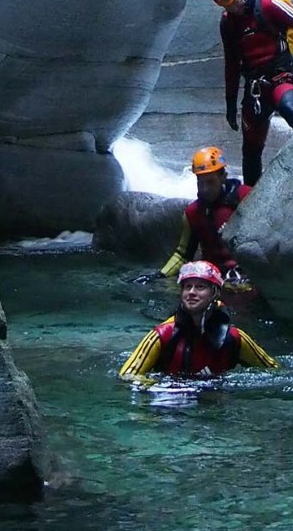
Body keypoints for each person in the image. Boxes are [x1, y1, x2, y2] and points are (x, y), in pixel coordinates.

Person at [199, 0, 293, 185]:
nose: (235, 7)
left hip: (283, 78)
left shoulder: (267, 4)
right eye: (228, 4)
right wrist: (230, 104)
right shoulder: (228, 22)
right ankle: (251, 202)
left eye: (235, 0)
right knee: (250, 150)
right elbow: (232, 64)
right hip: (256, 90)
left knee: (292, 112)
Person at [119, 260, 279, 381]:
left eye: (200, 287)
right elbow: (127, 376)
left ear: (214, 293)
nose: (192, 292)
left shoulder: (235, 338)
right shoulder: (163, 335)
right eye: (187, 287)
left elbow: (275, 372)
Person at [132, 146, 251, 289]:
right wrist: (158, 276)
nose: (204, 189)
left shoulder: (246, 197)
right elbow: (182, 254)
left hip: (247, 274)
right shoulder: (193, 212)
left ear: (223, 177)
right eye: (200, 182)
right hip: (212, 279)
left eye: (210, 182)